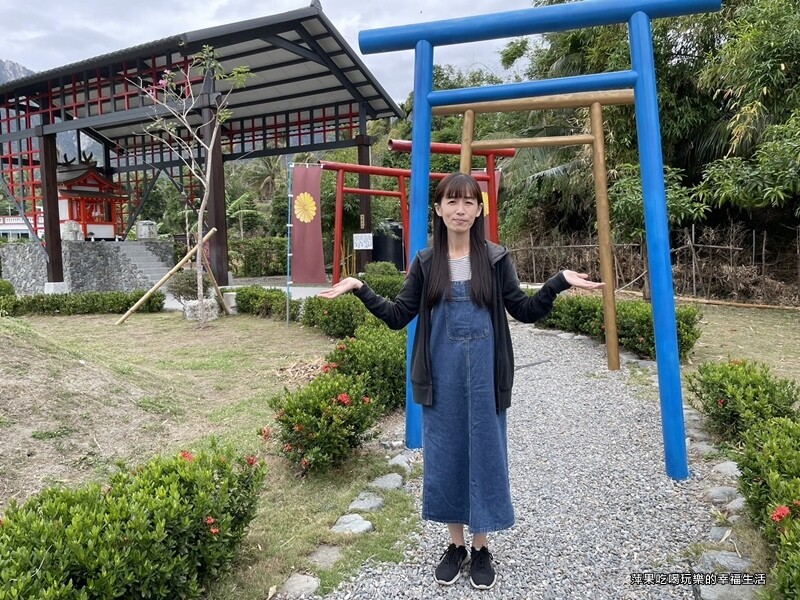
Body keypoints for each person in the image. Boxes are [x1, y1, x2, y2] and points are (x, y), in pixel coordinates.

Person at [318, 172, 603, 590]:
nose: (460, 210)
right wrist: (361, 287)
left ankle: (482, 547)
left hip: (487, 381)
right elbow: (398, 316)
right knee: (446, 457)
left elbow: (524, 310)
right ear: (438, 209)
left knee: (486, 456)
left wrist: (557, 283)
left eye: (469, 202)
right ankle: (455, 545)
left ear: (479, 209)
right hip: (441, 379)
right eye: (451, 201)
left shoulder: (496, 259)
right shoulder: (426, 262)